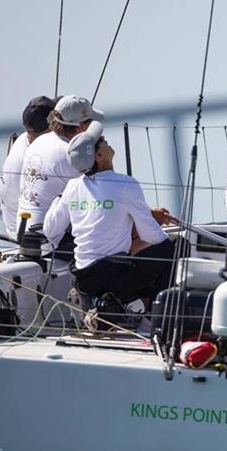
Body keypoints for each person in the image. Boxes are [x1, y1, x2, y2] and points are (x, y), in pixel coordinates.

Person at [43, 122, 174, 320]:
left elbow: (50, 229)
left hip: (82, 278)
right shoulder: (125, 184)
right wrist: (152, 234)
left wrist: (60, 198)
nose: (106, 141)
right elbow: (151, 236)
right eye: (102, 141)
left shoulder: (73, 187)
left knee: (135, 250)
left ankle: (115, 303)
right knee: (171, 247)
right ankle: (152, 318)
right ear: (99, 156)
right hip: (112, 278)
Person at [18, 95, 104, 257]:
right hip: (51, 244)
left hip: (25, 237)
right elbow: (103, 201)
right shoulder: (70, 156)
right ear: (81, 128)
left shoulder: (39, 141)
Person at [0, 96, 57, 238]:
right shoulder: (37, 156)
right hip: (29, 235)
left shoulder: (24, 138)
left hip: (16, 224)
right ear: (51, 127)